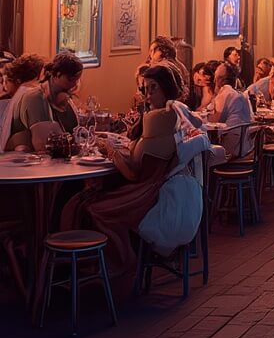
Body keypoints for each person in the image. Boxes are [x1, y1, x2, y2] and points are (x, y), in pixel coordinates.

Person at [62, 64, 180, 276]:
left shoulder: (159, 119)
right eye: (146, 89)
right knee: (82, 198)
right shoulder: (166, 115)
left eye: (154, 88)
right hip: (150, 186)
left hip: (142, 194)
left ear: (166, 88)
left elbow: (134, 174)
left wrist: (111, 152)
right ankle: (87, 266)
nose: (148, 94)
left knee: (88, 205)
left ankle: (113, 267)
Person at [8, 51, 82, 152]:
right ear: (56, 75)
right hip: (32, 165)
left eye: (77, 80)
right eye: (70, 79)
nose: (74, 85)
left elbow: (78, 136)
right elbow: (44, 146)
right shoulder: (35, 98)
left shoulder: (66, 102)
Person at [207, 62, 253, 157]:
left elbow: (215, 120)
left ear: (218, 79)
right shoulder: (238, 94)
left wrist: (203, 116)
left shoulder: (225, 92)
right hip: (244, 147)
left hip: (229, 150)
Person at [0, 53, 44, 151]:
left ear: (17, 80)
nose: (4, 85)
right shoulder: (30, 93)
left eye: (6, 80)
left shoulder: (27, 93)